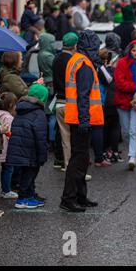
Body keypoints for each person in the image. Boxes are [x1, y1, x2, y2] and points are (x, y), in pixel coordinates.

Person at [61, 30, 102, 212]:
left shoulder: (76, 59)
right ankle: (68, 198)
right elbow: (83, 96)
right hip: (81, 118)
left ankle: (80, 196)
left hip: (76, 116)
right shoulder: (84, 64)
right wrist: (84, 120)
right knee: (79, 159)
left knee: (82, 158)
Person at [7, 84, 49, 210]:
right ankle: (23, 199)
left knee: (26, 174)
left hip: (19, 149)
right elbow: (41, 137)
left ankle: (29, 196)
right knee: (30, 174)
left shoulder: (20, 110)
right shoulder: (39, 113)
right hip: (31, 151)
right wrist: (43, 155)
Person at [114, 40, 136, 170]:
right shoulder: (122, 63)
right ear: (129, 50)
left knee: (134, 130)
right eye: (133, 50)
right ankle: (131, 152)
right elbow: (120, 82)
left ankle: (132, 156)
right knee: (125, 131)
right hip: (123, 101)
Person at [53, 32, 78, 173]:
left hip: (59, 101)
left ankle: (60, 160)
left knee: (62, 135)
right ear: (74, 45)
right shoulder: (72, 61)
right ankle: (70, 166)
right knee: (73, 137)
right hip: (70, 101)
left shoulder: (56, 58)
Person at [0, 92, 18, 199]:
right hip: (5, 148)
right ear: (11, 105)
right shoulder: (8, 117)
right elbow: (10, 134)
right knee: (7, 168)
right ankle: (6, 190)